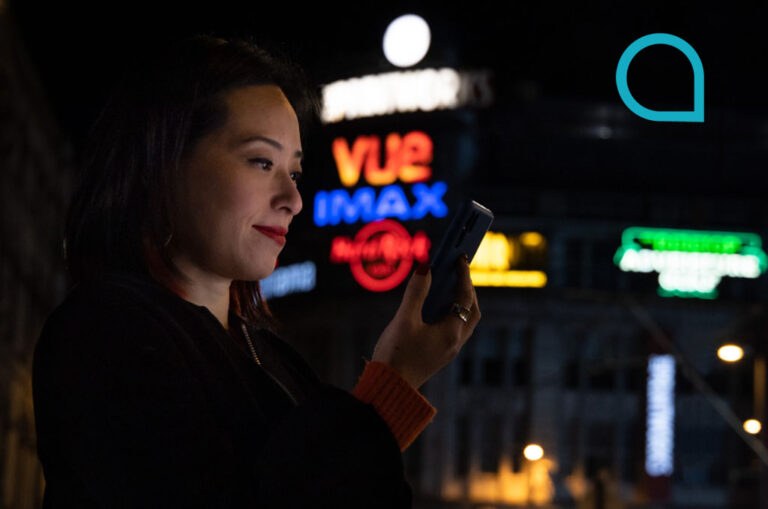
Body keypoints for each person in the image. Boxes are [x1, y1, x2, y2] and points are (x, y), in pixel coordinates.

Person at [32, 33, 481, 508]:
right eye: (261, 161)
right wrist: (396, 378)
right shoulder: (104, 332)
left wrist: (393, 388)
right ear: (162, 164)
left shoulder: (269, 354)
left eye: (295, 173)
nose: (293, 201)